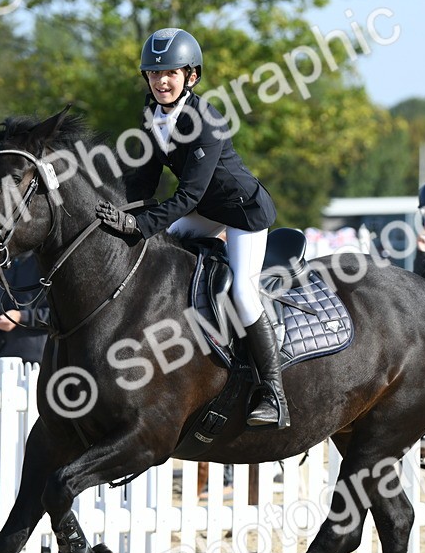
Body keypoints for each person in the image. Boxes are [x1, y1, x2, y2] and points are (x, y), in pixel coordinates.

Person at [93, 27, 287, 429]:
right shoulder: (152, 115)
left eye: (171, 73)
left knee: (244, 293)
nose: (161, 81)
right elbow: (144, 181)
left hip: (241, 212)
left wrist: (139, 224)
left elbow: (190, 195)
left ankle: (273, 392)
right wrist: (115, 213)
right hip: (206, 207)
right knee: (162, 254)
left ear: (191, 77)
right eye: (153, 74)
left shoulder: (207, 120)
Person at [0, 253, 50, 364]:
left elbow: (61, 316)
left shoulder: (47, 262)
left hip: (39, 363)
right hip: (1, 361)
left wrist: (20, 317)